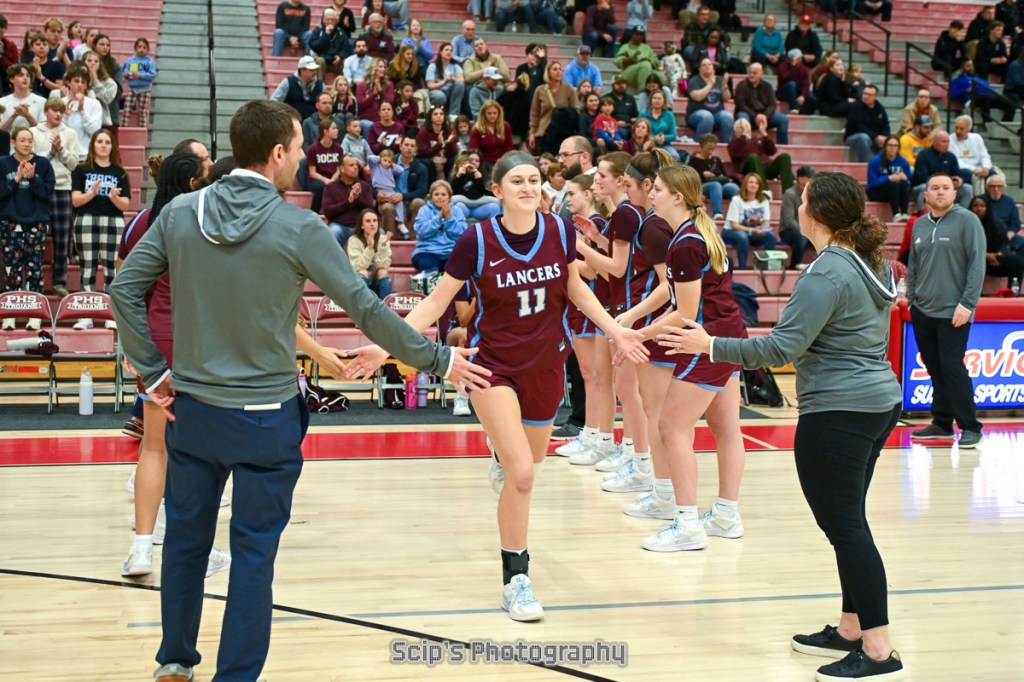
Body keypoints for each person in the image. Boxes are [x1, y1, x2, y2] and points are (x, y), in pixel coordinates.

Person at [110, 99, 488, 682]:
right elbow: (365, 309)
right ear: (277, 153)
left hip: (194, 411)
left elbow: (123, 290)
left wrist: (154, 373)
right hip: (266, 416)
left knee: (184, 543)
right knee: (253, 555)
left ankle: (174, 661)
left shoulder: (181, 212)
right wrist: (436, 358)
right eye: (298, 147)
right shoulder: (299, 226)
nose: (303, 157)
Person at [344, 151, 647, 622]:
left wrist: (616, 330)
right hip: (491, 369)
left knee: (528, 465)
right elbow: (435, 303)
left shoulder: (559, 230)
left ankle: (500, 453)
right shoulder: (477, 239)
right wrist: (386, 348)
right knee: (522, 475)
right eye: (517, 181)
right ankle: (516, 580)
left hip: (545, 366)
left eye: (534, 179)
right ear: (497, 189)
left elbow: (575, 288)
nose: (528, 187)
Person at [668, 168, 909, 681]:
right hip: (876, 402)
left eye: (801, 202)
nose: (795, 208)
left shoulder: (826, 273)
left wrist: (709, 344)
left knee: (846, 527)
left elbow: (780, 349)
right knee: (849, 522)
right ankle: (851, 627)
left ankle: (879, 649)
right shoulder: (869, 260)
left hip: (840, 411)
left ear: (815, 214)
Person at [617, 161, 747, 548]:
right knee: (726, 428)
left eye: (657, 188)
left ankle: (687, 524)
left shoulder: (686, 243)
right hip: (728, 337)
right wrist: (637, 323)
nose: (651, 193)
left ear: (676, 197)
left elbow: (686, 313)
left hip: (705, 341)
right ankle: (726, 515)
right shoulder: (692, 234)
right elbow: (678, 301)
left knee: (671, 427)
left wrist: (638, 334)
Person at [907, 172, 985, 449]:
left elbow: (977, 264)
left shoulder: (968, 220)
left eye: (945, 188)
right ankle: (941, 423)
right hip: (922, 310)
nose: (940, 192)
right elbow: (913, 266)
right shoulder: (919, 224)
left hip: (955, 312)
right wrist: (912, 299)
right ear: (926, 195)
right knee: (935, 368)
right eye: (935, 188)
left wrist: (967, 304)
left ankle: (970, 426)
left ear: (954, 193)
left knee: (952, 368)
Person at [70, 129, 130, 328]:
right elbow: (76, 201)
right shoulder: (81, 169)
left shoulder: (120, 172)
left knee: (112, 268)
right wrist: (92, 193)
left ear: (112, 147)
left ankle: (110, 314)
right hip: (86, 219)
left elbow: (125, 205)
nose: (103, 145)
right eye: (100, 141)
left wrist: (114, 198)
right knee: (87, 267)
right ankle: (85, 315)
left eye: (107, 142)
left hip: (113, 221)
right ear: (93, 145)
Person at [0, 126, 54, 330]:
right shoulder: (3, 164)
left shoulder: (43, 164)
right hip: (10, 223)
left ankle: (35, 314)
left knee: (34, 269)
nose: (27, 144)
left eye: (30, 140)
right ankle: (10, 315)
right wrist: (16, 180)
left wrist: (32, 178)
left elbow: (47, 194)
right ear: (13, 142)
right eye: (22, 140)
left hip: (36, 223)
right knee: (11, 269)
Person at [31, 98, 78, 297]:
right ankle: (34, 282)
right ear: (46, 111)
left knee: (62, 238)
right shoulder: (34, 132)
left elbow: (74, 164)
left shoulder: (70, 133)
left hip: (62, 188)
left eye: (61, 111)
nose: (58, 114)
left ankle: (59, 282)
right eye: (54, 110)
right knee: (36, 238)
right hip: (39, 188)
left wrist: (61, 151)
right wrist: (50, 153)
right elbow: (32, 162)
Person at [411, 179, 467, 280]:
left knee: (458, 266)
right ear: (431, 196)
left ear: (449, 197)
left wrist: (449, 218)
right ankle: (429, 282)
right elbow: (421, 232)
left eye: (443, 194)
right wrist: (438, 218)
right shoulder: (424, 210)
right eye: (436, 194)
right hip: (427, 252)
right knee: (427, 265)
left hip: (450, 252)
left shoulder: (457, 210)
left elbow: (461, 235)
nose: (440, 197)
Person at [722, 172, 777, 270]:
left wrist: (763, 229)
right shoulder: (736, 200)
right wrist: (753, 230)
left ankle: (764, 267)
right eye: (751, 182)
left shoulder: (764, 200)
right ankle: (742, 268)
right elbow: (734, 225)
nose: (753, 185)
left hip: (752, 232)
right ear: (745, 184)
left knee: (771, 236)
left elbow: (766, 221)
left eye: (756, 183)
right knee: (742, 237)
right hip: (731, 231)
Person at [727, 117, 794, 192]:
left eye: (746, 126)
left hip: (765, 166)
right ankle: (764, 190)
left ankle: (789, 193)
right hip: (750, 169)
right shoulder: (734, 144)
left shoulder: (758, 140)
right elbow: (735, 154)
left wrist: (764, 134)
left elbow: (772, 151)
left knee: (785, 157)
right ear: (736, 131)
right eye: (741, 127)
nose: (744, 129)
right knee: (753, 157)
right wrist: (743, 137)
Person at [971, 195, 1024, 286]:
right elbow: (963, 249)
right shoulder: (965, 225)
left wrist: (1000, 254)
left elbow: (1004, 242)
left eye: (982, 206)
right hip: (975, 261)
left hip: (994, 260)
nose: (979, 209)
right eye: (975, 206)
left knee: (1018, 263)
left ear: (987, 208)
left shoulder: (995, 225)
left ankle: (1012, 292)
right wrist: (987, 255)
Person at [323, 154, 374, 244]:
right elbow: (328, 212)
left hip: (361, 226)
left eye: (356, 165)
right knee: (332, 232)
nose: (355, 167)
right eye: (351, 165)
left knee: (380, 232)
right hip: (339, 225)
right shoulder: (330, 187)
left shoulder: (364, 185)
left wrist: (357, 198)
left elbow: (371, 210)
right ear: (341, 169)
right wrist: (349, 202)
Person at [529, 61, 578, 154]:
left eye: (560, 69)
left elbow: (575, 111)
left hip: (563, 133)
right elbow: (535, 114)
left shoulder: (569, 89)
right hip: (544, 132)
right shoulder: (540, 90)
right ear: (548, 73)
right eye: (555, 69)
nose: (558, 72)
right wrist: (532, 133)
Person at [733, 63, 789, 144]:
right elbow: (741, 105)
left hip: (764, 118)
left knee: (783, 119)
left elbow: (772, 105)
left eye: (754, 73)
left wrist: (764, 116)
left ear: (761, 73)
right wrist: (755, 116)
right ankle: (744, 145)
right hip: (748, 116)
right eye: (750, 72)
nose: (752, 75)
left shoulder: (767, 86)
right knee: (742, 117)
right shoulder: (741, 86)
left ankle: (783, 147)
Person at [687, 133, 737, 220]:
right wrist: (702, 174)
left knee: (732, 187)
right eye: (708, 149)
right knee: (715, 185)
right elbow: (689, 179)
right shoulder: (693, 160)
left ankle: (739, 214)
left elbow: (726, 176)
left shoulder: (716, 160)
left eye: (712, 149)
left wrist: (721, 177)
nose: (710, 151)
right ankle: (717, 212)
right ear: (701, 146)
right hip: (702, 186)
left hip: (720, 185)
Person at [686, 57, 734, 142]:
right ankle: (701, 146)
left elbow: (727, 99)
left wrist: (724, 86)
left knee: (728, 117)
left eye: (709, 64)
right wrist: (709, 85)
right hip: (696, 115)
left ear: (713, 68)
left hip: (717, 114)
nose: (707, 66)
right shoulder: (694, 80)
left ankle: (726, 146)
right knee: (707, 116)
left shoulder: (720, 79)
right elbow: (697, 97)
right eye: (704, 65)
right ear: (700, 69)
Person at [348, 208, 393, 298]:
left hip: (376, 281)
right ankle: (362, 306)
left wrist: (383, 246)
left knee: (382, 271)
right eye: (368, 221)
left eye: (375, 221)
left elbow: (383, 265)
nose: (372, 224)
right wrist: (370, 248)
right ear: (361, 225)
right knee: (363, 272)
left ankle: (386, 305)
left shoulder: (383, 239)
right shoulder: (354, 240)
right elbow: (359, 266)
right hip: (360, 282)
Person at [61, 66, 103, 161]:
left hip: (86, 157)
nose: (80, 85)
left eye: (83, 82)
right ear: (68, 82)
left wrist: (82, 111)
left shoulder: (94, 104)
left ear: (87, 85)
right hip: (64, 156)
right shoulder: (60, 103)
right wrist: (66, 116)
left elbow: (95, 132)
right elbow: (57, 131)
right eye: (76, 81)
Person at [866, 136, 911, 222]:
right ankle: (896, 215)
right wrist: (889, 178)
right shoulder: (875, 161)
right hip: (876, 192)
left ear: (898, 148)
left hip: (895, 193)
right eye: (890, 145)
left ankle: (904, 213)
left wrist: (905, 178)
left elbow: (909, 183)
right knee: (893, 184)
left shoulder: (904, 162)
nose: (892, 148)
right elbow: (872, 182)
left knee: (903, 183)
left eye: (895, 145)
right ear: (885, 147)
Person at [450, 148, 502, 221]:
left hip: (478, 208)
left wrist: (479, 179)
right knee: (459, 206)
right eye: (472, 160)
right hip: (463, 206)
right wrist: (458, 176)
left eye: (477, 161)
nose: (474, 162)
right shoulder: (457, 174)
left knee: (495, 207)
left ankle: (495, 228)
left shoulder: (482, 175)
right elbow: (450, 191)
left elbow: (487, 192)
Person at [844, 84, 890, 164]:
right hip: (853, 137)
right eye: (864, 93)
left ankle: (886, 166)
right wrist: (876, 136)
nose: (866, 96)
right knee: (864, 138)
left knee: (891, 141)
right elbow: (858, 127)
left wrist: (884, 136)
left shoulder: (880, 108)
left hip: (874, 138)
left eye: (869, 94)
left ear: (876, 96)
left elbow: (886, 125)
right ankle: (863, 165)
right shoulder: (855, 106)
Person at [779, 165, 814, 268]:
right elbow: (789, 220)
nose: (811, 180)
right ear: (800, 178)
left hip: (808, 230)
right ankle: (794, 266)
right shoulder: (790, 194)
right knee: (800, 236)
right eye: (809, 177)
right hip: (788, 230)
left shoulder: (813, 194)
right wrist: (805, 231)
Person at [306, 117, 343, 212]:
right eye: (334, 128)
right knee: (321, 187)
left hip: (334, 178)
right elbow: (312, 172)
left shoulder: (339, 148)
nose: (337, 130)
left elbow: (339, 169)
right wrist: (325, 180)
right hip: (317, 180)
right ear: (325, 131)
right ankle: (314, 212)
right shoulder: (313, 149)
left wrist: (333, 179)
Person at [272, 56, 325, 121]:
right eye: (311, 70)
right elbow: (274, 101)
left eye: (315, 70)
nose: (315, 72)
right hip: (291, 121)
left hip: (314, 123)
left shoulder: (321, 85)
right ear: (302, 70)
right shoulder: (288, 82)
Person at [119, 38, 156, 129]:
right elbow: (123, 72)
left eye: (144, 47)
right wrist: (126, 75)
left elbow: (152, 75)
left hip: (145, 89)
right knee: (127, 109)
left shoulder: (149, 61)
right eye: (139, 47)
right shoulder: (130, 60)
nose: (141, 49)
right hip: (132, 88)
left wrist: (141, 75)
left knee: (142, 111)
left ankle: (142, 129)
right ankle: (123, 128)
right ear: (135, 48)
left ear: (147, 49)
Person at [982, 176, 1024, 251]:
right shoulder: (980, 201)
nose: (996, 189)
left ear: (1004, 188)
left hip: (1006, 235)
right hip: (986, 236)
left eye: (999, 186)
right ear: (987, 188)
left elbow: (1015, 223)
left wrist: (1008, 237)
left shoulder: (1009, 201)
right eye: (992, 186)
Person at [469, 100, 514, 169]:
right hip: (484, 163)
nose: (492, 116)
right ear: (484, 114)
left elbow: (509, 147)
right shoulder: (477, 129)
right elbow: (474, 148)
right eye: (489, 113)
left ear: (499, 114)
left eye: (494, 113)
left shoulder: (505, 126)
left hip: (502, 162)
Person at [425, 43, 465, 116]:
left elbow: (461, 80)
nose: (449, 52)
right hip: (437, 91)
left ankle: (453, 114)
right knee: (440, 96)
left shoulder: (455, 65)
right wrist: (444, 82)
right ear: (440, 52)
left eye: (451, 50)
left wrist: (452, 79)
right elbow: (430, 85)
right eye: (446, 50)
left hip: (450, 91)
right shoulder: (433, 66)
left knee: (460, 84)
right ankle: (439, 114)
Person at [639, 90, 680, 161]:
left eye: (659, 98)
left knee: (675, 157)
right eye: (654, 98)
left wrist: (664, 137)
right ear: (651, 100)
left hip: (664, 145)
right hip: (646, 144)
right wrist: (654, 138)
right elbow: (638, 131)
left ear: (664, 101)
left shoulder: (669, 115)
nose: (656, 100)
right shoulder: (643, 114)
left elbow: (673, 135)